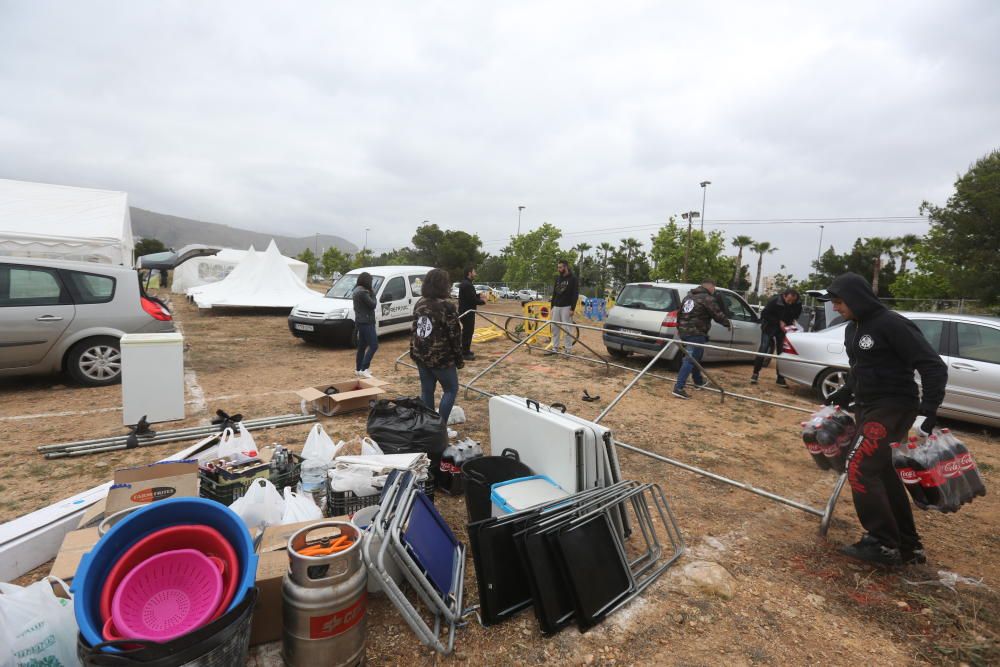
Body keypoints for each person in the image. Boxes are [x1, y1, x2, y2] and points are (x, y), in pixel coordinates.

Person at [820, 272, 947, 566]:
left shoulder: (891, 324)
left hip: (893, 406)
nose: (836, 308)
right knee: (883, 473)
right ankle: (907, 545)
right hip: (867, 405)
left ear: (856, 298)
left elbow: (933, 367)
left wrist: (927, 413)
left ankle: (882, 543)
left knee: (859, 466)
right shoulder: (853, 328)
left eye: (839, 302)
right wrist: (845, 391)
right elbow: (860, 366)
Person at [411, 268, 465, 430]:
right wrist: (459, 359)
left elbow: (415, 330)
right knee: (451, 389)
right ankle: (440, 429)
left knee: (427, 391)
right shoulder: (446, 307)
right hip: (442, 358)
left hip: (422, 356)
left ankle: (429, 427)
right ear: (443, 285)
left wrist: (414, 352)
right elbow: (455, 335)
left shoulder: (420, 303)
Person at [672, 279, 731, 399]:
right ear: (711, 287)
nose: (714, 291)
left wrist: (679, 328)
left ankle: (698, 381)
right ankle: (678, 387)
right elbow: (717, 314)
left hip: (684, 331)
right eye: (714, 288)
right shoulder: (707, 298)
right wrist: (727, 323)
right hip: (696, 332)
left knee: (696, 357)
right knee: (690, 359)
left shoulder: (688, 297)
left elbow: (679, 313)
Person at [750, 288, 802, 386]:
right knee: (763, 348)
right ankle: (755, 373)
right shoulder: (774, 301)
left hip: (783, 330)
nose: (790, 303)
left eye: (793, 301)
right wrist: (779, 321)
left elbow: (796, 314)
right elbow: (764, 314)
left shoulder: (797, 303)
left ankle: (780, 377)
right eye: (788, 300)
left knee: (781, 352)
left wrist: (789, 322)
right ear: (784, 296)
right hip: (769, 327)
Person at [546, 259, 579, 356]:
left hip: (567, 307)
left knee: (567, 329)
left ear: (566, 267)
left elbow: (575, 294)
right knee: (554, 328)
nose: (558, 269)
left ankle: (567, 351)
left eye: (560, 267)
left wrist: (572, 308)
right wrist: (552, 307)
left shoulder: (573, 279)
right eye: (558, 267)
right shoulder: (558, 278)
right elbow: (554, 293)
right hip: (556, 306)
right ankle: (555, 348)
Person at [352, 272, 378, 379]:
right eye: (370, 281)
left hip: (360, 321)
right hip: (367, 322)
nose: (371, 283)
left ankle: (358, 369)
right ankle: (364, 368)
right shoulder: (363, 292)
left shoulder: (356, 290)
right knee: (374, 345)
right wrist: (373, 293)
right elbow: (373, 305)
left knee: (362, 346)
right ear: (367, 281)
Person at [458, 266, 486, 360]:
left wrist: (478, 295)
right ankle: (464, 353)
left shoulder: (467, 283)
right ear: (469, 273)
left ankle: (465, 350)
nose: (476, 274)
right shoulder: (467, 284)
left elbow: (469, 296)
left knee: (467, 331)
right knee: (468, 332)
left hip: (466, 311)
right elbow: (471, 300)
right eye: (474, 272)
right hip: (466, 312)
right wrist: (483, 301)